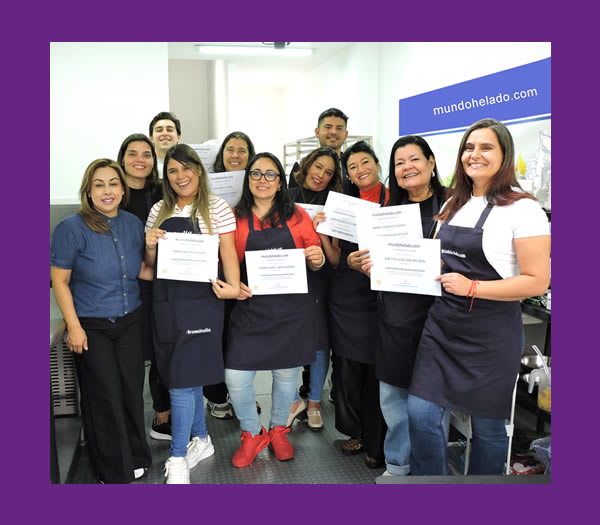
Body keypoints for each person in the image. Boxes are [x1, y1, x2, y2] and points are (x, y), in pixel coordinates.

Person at [407, 118, 551, 475]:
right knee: (421, 415)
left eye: (486, 147)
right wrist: (388, 266)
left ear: (504, 155)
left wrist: (473, 287)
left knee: (487, 430)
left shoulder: (524, 209)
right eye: (469, 147)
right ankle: (432, 489)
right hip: (443, 328)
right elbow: (438, 262)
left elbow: (537, 281)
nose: (475, 154)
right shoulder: (454, 203)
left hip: (491, 334)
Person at [51, 158, 152, 483]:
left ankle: (136, 456)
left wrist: (182, 269)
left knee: (131, 391)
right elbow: (60, 281)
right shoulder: (70, 229)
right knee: (104, 395)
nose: (107, 191)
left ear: (122, 190)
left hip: (130, 321)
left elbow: (141, 270)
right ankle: (112, 468)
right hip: (92, 325)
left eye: (113, 183)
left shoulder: (133, 224)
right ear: (88, 191)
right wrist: (74, 327)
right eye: (99, 185)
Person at [145, 144, 240, 483]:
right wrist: (150, 246)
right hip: (166, 303)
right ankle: (202, 439)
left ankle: (178, 457)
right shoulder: (158, 210)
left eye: (186, 168)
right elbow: (151, 266)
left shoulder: (217, 208)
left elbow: (228, 251)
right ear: (166, 176)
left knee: (182, 379)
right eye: (172, 170)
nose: (180, 176)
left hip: (202, 303)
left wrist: (233, 286)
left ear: (199, 170)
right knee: (184, 375)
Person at [225, 152, 325, 468]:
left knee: (285, 378)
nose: (263, 180)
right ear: (248, 180)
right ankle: (252, 434)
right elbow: (225, 261)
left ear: (280, 182)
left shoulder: (297, 215)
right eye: (256, 174)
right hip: (250, 309)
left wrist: (317, 258)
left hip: (291, 312)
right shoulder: (233, 217)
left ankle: (279, 430)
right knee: (235, 377)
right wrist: (234, 284)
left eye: (271, 174)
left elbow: (316, 257)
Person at [362, 136, 447, 476]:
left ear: (431, 162)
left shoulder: (454, 207)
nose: (407, 167)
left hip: (438, 316)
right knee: (393, 398)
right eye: (399, 163)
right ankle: (397, 465)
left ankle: (431, 473)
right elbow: (374, 261)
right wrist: (365, 264)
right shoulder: (387, 214)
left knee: (430, 405)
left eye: (414, 159)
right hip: (394, 315)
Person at [328, 141, 388, 468]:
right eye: (352, 166)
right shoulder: (343, 205)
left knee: (377, 372)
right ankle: (357, 431)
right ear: (348, 174)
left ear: (377, 164)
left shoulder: (396, 200)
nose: (360, 170)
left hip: (383, 297)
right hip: (348, 296)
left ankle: (377, 441)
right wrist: (326, 236)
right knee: (347, 371)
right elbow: (336, 256)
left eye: (365, 162)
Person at [116, 134, 171, 441]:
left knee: (162, 347)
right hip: (123, 286)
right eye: (132, 153)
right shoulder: (113, 193)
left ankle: (163, 416)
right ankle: (127, 422)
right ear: (122, 158)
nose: (140, 160)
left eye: (146, 154)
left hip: (162, 283)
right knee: (131, 355)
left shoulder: (164, 191)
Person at [286, 147, 342, 430]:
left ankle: (315, 402)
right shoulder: (285, 197)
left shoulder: (334, 204)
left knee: (320, 341)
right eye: (318, 167)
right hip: (288, 276)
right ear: (307, 166)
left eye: (328, 172)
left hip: (321, 278)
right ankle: (292, 400)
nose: (321, 175)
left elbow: (335, 256)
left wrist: (321, 231)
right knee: (290, 338)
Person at [202, 131, 256, 420]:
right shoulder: (206, 186)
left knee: (241, 339)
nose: (235, 155)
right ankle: (215, 396)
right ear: (221, 155)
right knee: (215, 336)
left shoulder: (256, 186)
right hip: (214, 271)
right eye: (230, 149)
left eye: (242, 150)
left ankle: (241, 396)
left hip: (247, 270)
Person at [149, 111, 181, 176]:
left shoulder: (188, 165)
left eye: (169, 130)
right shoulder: (145, 166)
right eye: (159, 130)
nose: (164, 133)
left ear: (178, 137)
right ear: (151, 138)